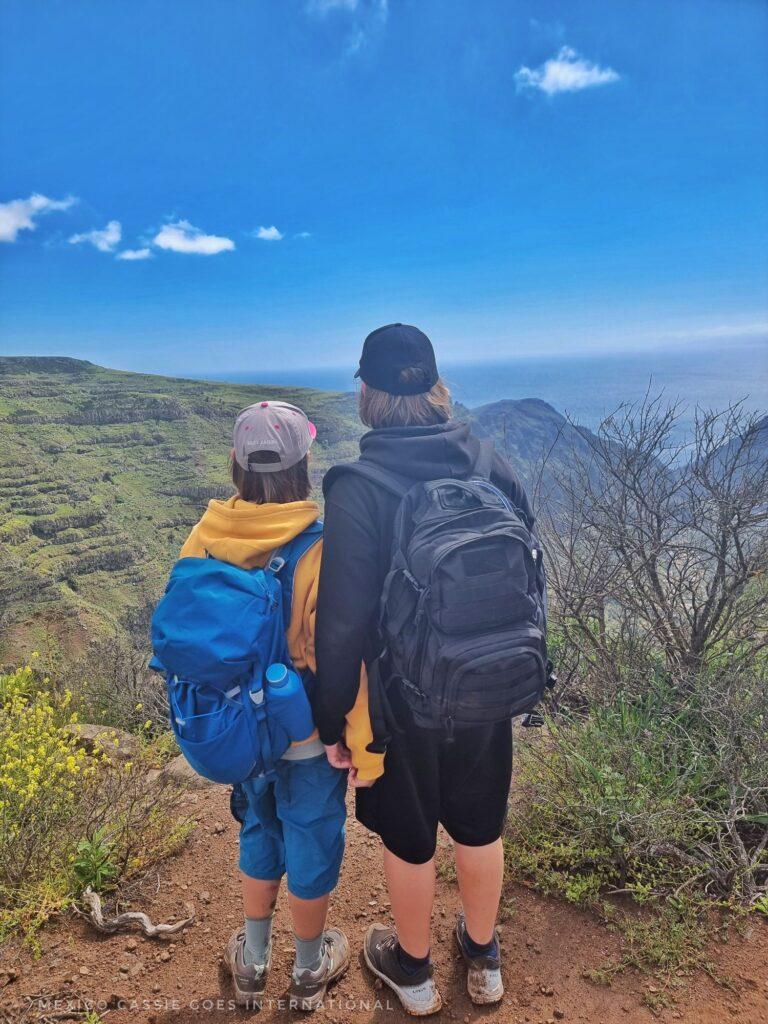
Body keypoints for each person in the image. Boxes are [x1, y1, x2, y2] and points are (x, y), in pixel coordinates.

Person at [314, 325, 537, 1015]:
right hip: (489, 681)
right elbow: (531, 572)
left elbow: (343, 620)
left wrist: (332, 724)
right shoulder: (486, 462)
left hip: (401, 702)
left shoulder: (357, 485)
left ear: (368, 393)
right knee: (480, 825)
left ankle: (412, 973)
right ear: (439, 387)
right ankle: (484, 956)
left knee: (411, 837)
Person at [178, 399, 383, 1011]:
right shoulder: (320, 547)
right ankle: (309, 970)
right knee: (313, 835)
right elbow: (340, 649)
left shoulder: (205, 536)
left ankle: (254, 961)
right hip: (305, 730)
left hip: (239, 729)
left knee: (258, 824)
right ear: (305, 465)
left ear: (236, 465)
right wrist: (360, 742)